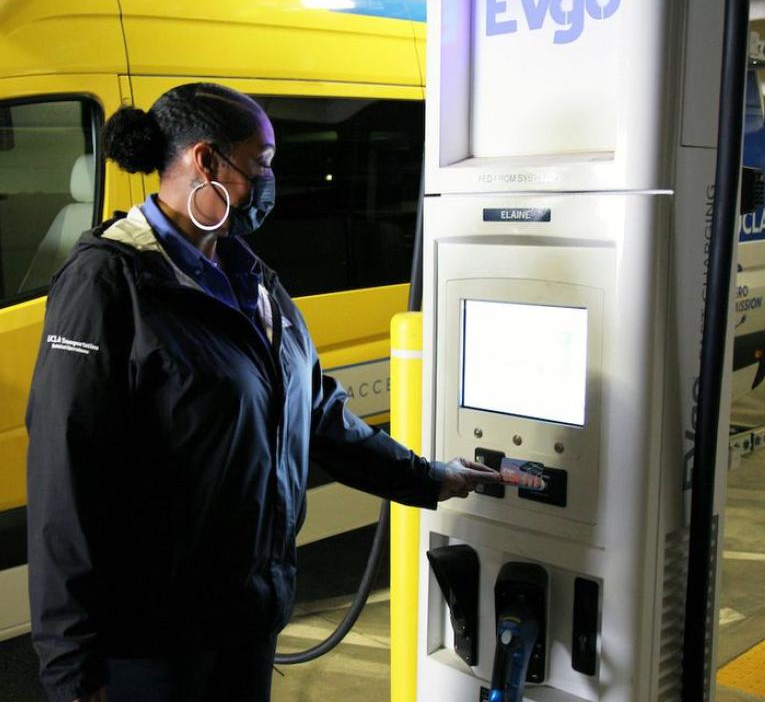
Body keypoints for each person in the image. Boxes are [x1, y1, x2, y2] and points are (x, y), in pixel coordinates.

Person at [25, 82, 500, 702]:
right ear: (206, 162)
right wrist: (71, 669)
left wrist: (426, 477)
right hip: (152, 643)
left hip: (246, 617)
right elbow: (66, 479)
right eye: (263, 166)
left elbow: (317, 413)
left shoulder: (247, 276)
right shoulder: (108, 285)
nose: (271, 185)